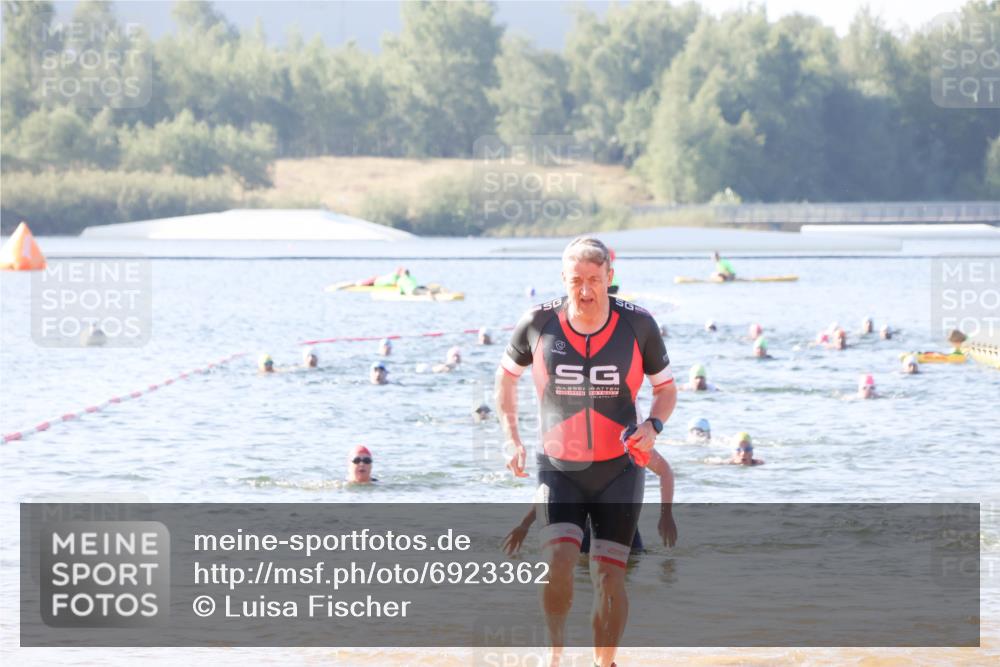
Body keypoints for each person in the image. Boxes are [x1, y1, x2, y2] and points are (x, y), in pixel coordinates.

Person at [495, 235, 677, 667]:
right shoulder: (538, 323)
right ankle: (554, 654)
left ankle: (604, 663)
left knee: (608, 575)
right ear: (563, 279)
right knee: (558, 559)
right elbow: (505, 380)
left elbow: (666, 390)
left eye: (594, 280)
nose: (585, 289)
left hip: (620, 469)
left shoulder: (638, 325)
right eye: (576, 280)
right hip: (559, 467)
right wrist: (511, 437)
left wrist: (653, 425)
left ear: (609, 278)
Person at [502, 449, 679, 558]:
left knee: (633, 563)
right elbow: (551, 490)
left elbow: (665, 471)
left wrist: (666, 514)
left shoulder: (631, 441)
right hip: (586, 527)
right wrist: (524, 525)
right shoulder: (575, 447)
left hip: (623, 525)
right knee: (582, 567)